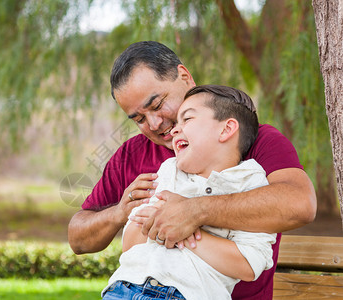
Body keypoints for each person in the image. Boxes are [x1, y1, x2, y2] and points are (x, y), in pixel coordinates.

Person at [68, 41, 317, 299]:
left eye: (157, 104)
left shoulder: (251, 140)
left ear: (184, 77)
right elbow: (78, 237)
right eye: (139, 119)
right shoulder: (131, 154)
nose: (154, 124)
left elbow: (300, 204)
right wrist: (119, 213)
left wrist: (194, 211)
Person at [102, 85, 277, 300]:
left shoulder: (249, 180)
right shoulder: (169, 171)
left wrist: (186, 227)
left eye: (187, 119)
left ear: (226, 129)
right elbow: (130, 244)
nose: (174, 130)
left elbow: (249, 265)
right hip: (124, 288)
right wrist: (163, 221)